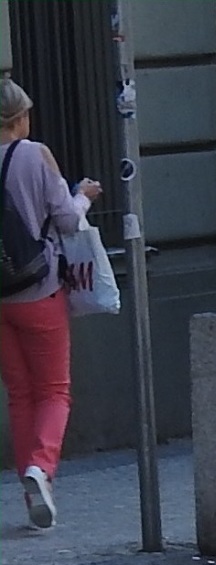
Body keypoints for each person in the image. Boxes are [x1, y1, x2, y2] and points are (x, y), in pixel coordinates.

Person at [0, 77, 102, 529]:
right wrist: (85, 195)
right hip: (39, 291)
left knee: (20, 396)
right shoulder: (35, 154)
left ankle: (33, 500)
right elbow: (66, 220)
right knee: (55, 391)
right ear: (21, 116)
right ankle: (41, 471)